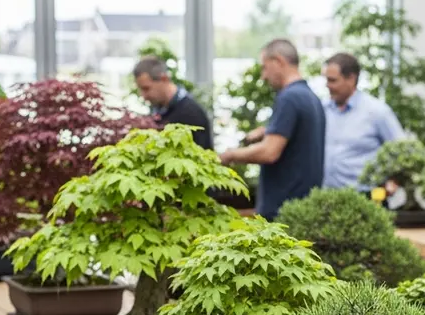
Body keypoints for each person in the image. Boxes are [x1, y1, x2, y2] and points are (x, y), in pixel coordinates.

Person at [220, 38, 324, 220]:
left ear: (278, 61)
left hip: (282, 212)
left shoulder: (289, 98)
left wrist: (229, 155)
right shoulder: (310, 97)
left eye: (265, 67)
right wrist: (267, 131)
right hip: (303, 208)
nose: (263, 76)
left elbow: (269, 152)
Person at [321, 52, 405, 190]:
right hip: (327, 197)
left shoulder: (377, 112)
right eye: (326, 80)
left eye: (333, 80)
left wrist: (392, 184)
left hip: (366, 197)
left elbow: (401, 151)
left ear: (351, 79)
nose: (327, 85)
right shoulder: (323, 109)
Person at [133, 56, 213, 149]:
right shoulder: (158, 109)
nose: (143, 95)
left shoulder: (191, 114)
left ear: (164, 79)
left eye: (146, 88)